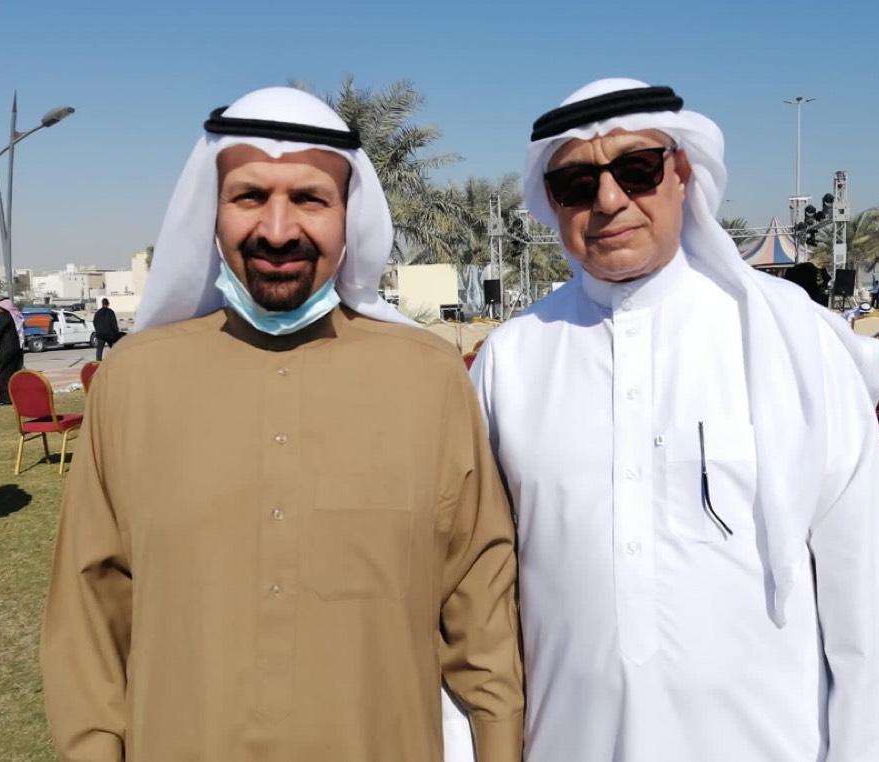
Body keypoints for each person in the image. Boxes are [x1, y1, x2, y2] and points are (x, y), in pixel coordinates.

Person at [40, 87, 523, 762]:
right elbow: (90, 612)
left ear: (349, 217)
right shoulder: (134, 382)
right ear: (211, 212)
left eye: (309, 198)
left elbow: (481, 608)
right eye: (248, 196)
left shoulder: (429, 379)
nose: (276, 230)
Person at [470, 78, 879, 761]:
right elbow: (478, 597)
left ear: (681, 172)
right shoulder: (511, 360)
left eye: (636, 170)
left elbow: (865, 609)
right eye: (576, 184)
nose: (609, 200)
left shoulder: (793, 340)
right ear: (552, 201)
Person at [0, 298, 24, 405]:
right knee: (11, 373)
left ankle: (4, 399)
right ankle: (13, 397)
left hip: (7, 349)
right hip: (17, 348)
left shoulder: (5, 317)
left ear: (3, 307)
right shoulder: (15, 316)